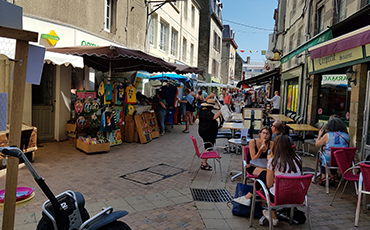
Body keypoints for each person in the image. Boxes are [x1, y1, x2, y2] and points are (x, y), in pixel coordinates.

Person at [234, 135, 302, 226]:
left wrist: (273, 180)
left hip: (279, 197)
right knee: (264, 175)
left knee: (263, 179)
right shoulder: (298, 159)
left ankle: (268, 212)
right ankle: (248, 199)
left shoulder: (273, 161)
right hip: (297, 196)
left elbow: (269, 185)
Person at [315, 117, 349, 185]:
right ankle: (333, 175)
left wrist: (319, 135)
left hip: (329, 160)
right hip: (342, 160)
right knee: (335, 156)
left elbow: (317, 144)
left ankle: (323, 176)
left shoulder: (328, 135)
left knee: (323, 156)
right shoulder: (346, 136)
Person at [198, 99, 222, 171]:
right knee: (208, 147)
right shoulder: (206, 112)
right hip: (207, 132)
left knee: (206, 146)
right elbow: (214, 117)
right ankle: (204, 164)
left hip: (205, 132)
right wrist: (221, 111)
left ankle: (204, 162)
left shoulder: (203, 111)